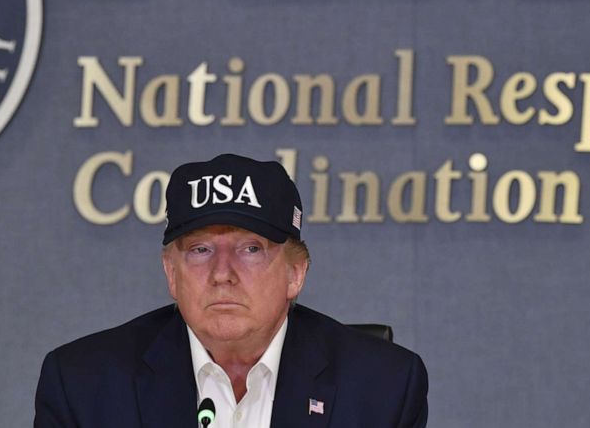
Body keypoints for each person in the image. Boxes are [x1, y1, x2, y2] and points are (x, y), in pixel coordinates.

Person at [35, 153, 428, 427]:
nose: (222, 273)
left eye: (251, 249)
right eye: (200, 250)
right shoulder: (84, 386)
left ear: (296, 273)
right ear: (171, 274)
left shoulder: (382, 387)